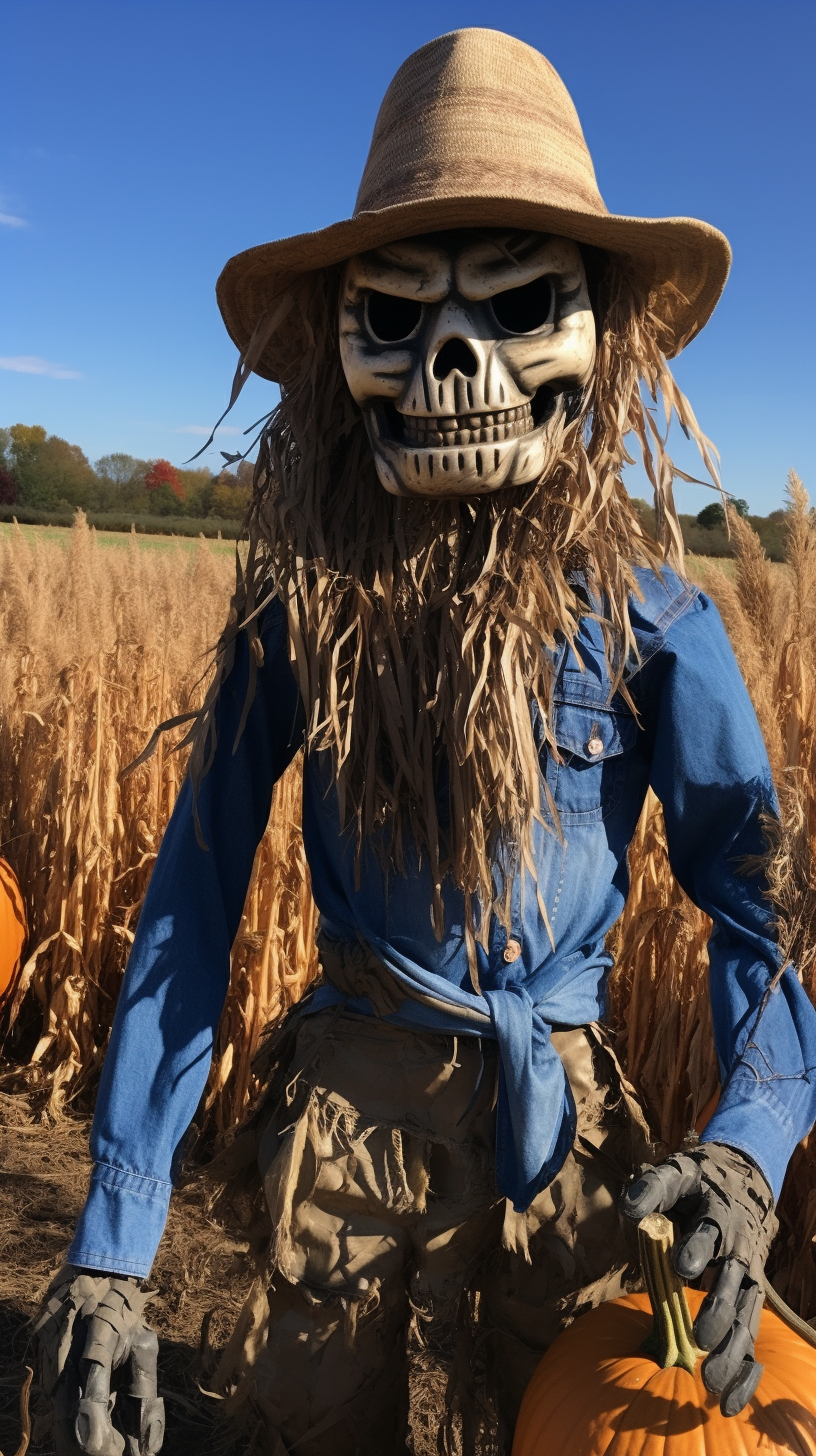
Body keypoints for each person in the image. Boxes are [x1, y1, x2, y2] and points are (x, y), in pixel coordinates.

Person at [36, 28, 816, 1456]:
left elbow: (758, 904)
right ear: (343, 353)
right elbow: (190, 899)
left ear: (605, 339)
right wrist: (111, 1238)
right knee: (305, 1432)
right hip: (348, 1112)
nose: (457, 364)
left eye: (517, 307)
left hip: (570, 1129)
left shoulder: (657, 624)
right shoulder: (301, 609)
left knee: (590, 1421)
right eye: (400, 318)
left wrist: (746, 1152)